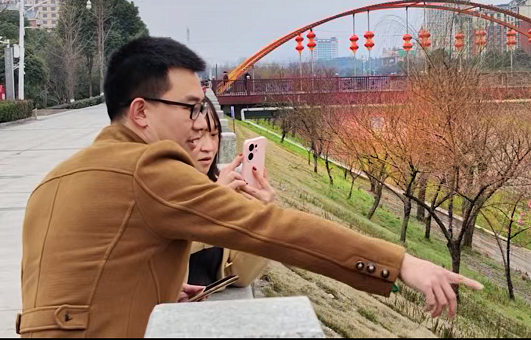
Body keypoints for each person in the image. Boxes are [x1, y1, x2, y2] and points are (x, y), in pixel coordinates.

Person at [18, 37, 482, 338]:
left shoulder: (56, 179)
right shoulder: (149, 165)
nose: (198, 123)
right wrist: (402, 264)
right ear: (141, 112)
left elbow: (79, 285)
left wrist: (154, 286)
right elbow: (269, 228)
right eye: (190, 107)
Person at [186, 97, 269, 288]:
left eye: (214, 134)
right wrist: (214, 204)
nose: (208, 147)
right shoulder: (156, 192)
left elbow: (240, 276)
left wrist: (259, 215)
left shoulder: (215, 185)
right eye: (195, 137)